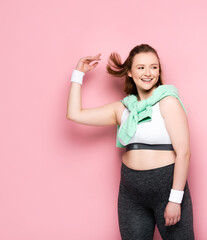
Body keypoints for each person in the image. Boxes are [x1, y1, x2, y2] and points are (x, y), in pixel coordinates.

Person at [66, 44, 195, 240]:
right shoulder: (123, 109)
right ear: (129, 73)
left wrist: (175, 199)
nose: (148, 73)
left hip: (167, 189)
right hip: (131, 193)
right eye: (141, 67)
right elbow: (74, 114)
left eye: (153, 67)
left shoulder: (168, 102)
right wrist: (78, 74)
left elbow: (184, 153)